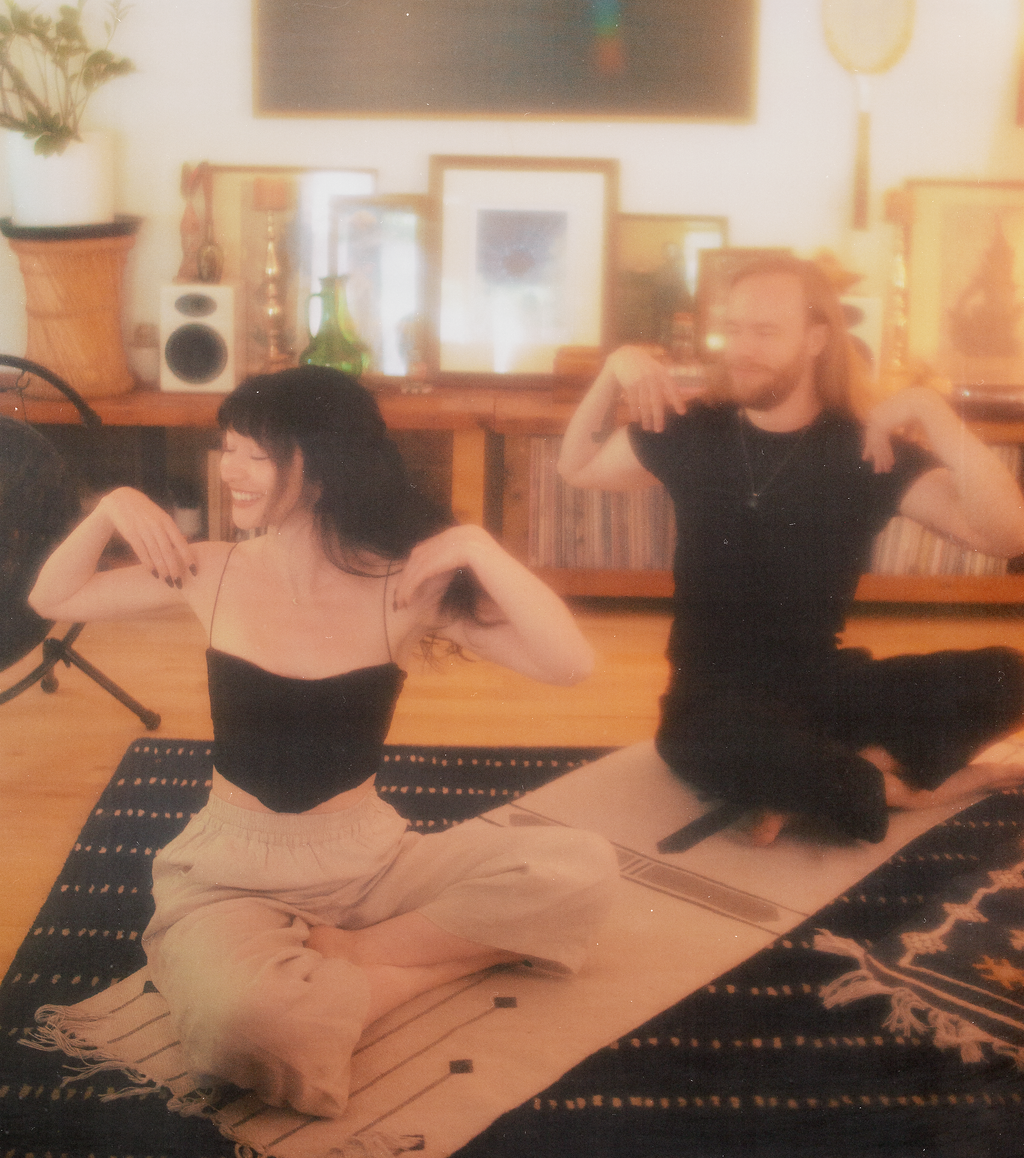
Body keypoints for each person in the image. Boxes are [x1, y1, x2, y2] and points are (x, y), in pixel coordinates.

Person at [28, 366, 618, 1119]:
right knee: (246, 1026)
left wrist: (479, 547)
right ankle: (399, 970)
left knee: (583, 867)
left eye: (256, 454)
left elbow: (570, 665)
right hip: (231, 872)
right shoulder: (210, 569)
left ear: (322, 465)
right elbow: (53, 596)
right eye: (227, 449)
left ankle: (361, 958)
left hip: (369, 861)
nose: (230, 470)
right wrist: (112, 506)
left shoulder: (403, 587)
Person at [559, 253, 1024, 847]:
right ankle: (907, 789)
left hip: (823, 686)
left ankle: (825, 782)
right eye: (734, 329)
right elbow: (578, 467)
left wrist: (930, 411)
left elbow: (1006, 536)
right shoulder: (691, 428)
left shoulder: (865, 448)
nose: (741, 349)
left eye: (765, 331)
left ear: (816, 339)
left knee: (1009, 674)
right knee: (715, 745)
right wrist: (613, 370)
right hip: (710, 704)